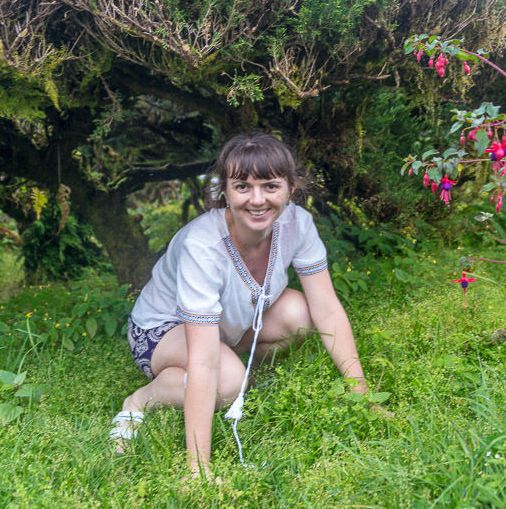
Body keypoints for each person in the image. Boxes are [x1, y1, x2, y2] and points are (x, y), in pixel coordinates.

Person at [109, 132, 370, 480]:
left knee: (302, 314)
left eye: (270, 186)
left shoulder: (298, 224)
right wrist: (197, 470)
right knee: (224, 378)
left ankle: (236, 376)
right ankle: (140, 400)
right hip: (161, 330)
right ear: (226, 192)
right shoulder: (201, 246)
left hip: (228, 322)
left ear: (291, 188)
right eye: (243, 186)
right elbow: (203, 357)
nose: (257, 200)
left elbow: (328, 310)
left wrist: (362, 394)